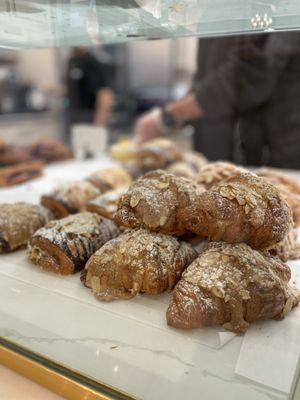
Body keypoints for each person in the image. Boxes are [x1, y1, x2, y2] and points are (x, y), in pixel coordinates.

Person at [134, 32, 300, 169]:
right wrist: (170, 119)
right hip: (217, 159)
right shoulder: (213, 9)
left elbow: (248, 75)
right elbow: (204, 79)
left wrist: (171, 115)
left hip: (269, 160)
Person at [67, 47, 115, 127]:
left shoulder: (94, 62)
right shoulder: (72, 61)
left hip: (90, 115)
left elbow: (105, 94)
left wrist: (99, 124)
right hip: (74, 114)